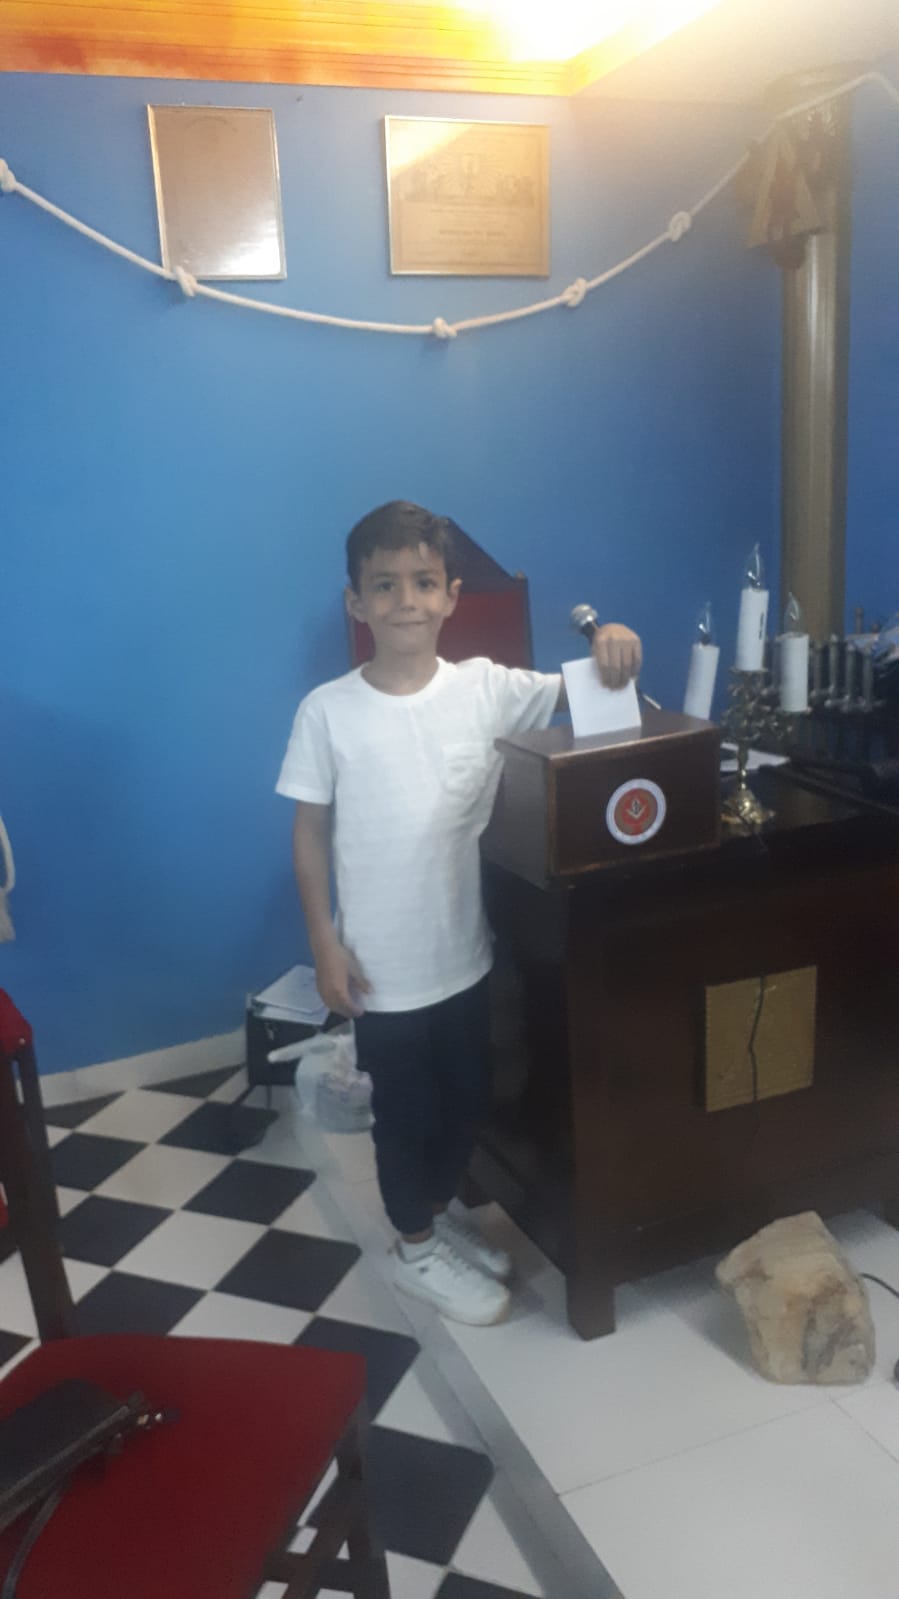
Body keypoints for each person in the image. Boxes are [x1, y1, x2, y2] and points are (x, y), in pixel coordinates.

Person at [277, 501, 642, 1326]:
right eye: (384, 584)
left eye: (422, 581)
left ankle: (432, 1214)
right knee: (405, 1116)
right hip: (383, 971)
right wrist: (323, 941)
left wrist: (613, 638)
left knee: (470, 1098)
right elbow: (308, 833)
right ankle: (412, 1248)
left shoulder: (484, 688)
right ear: (356, 601)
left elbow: (594, 688)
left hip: (465, 959)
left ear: (449, 595)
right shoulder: (327, 711)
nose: (405, 599)